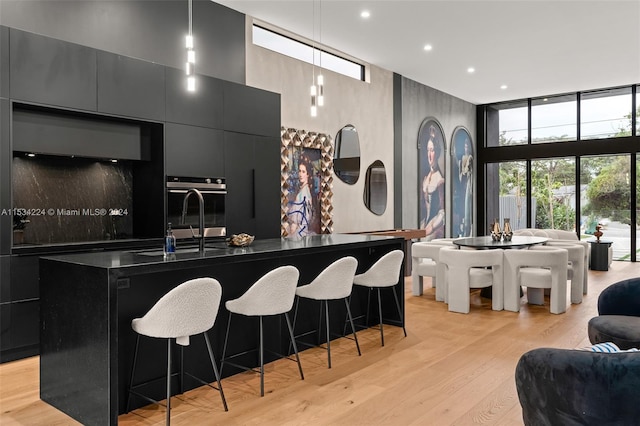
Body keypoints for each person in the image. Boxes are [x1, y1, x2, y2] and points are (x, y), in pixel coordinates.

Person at [421, 125, 445, 240]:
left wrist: (430, 228)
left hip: (434, 225)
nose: (429, 155)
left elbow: (442, 213)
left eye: (432, 150)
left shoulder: (440, 180)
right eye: (428, 150)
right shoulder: (426, 177)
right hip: (424, 222)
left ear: (437, 152)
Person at [287, 159, 316, 237]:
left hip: (299, 232)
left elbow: (296, 221)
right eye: (299, 171)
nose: (300, 174)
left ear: (307, 174)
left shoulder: (304, 193)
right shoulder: (304, 190)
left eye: (303, 172)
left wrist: (291, 233)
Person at [458, 138, 473, 236]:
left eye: (467, 145)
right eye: (465, 146)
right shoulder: (462, 159)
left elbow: (467, 171)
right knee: (462, 208)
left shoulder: (470, 158)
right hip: (462, 186)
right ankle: (462, 229)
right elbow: (461, 173)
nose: (466, 147)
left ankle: (467, 231)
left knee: (467, 209)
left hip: (468, 184)